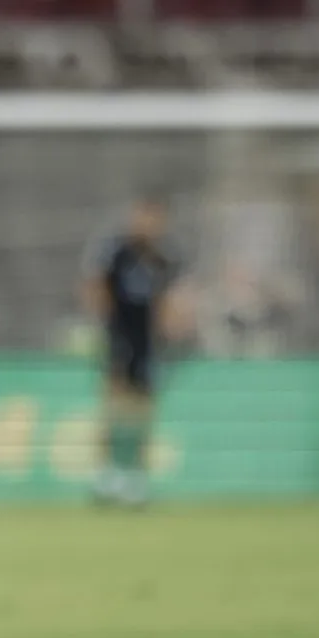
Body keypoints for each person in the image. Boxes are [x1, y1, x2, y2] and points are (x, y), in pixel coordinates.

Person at [80, 194, 191, 507]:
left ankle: (136, 477)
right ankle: (107, 473)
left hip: (149, 340)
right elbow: (96, 287)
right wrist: (101, 327)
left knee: (144, 409)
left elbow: (172, 297)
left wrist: (173, 329)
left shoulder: (166, 255)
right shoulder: (114, 250)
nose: (148, 224)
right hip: (118, 334)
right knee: (113, 406)